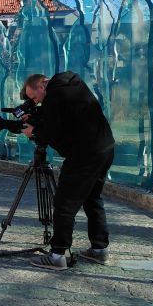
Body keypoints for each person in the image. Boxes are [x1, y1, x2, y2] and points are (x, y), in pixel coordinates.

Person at [20, 72, 115, 271]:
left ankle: (57, 256)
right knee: (92, 197)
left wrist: (34, 132)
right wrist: (40, 119)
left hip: (85, 154)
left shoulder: (54, 96)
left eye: (34, 96)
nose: (35, 101)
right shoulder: (73, 84)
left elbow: (53, 133)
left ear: (43, 84)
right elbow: (68, 121)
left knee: (64, 202)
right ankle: (99, 250)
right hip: (105, 148)